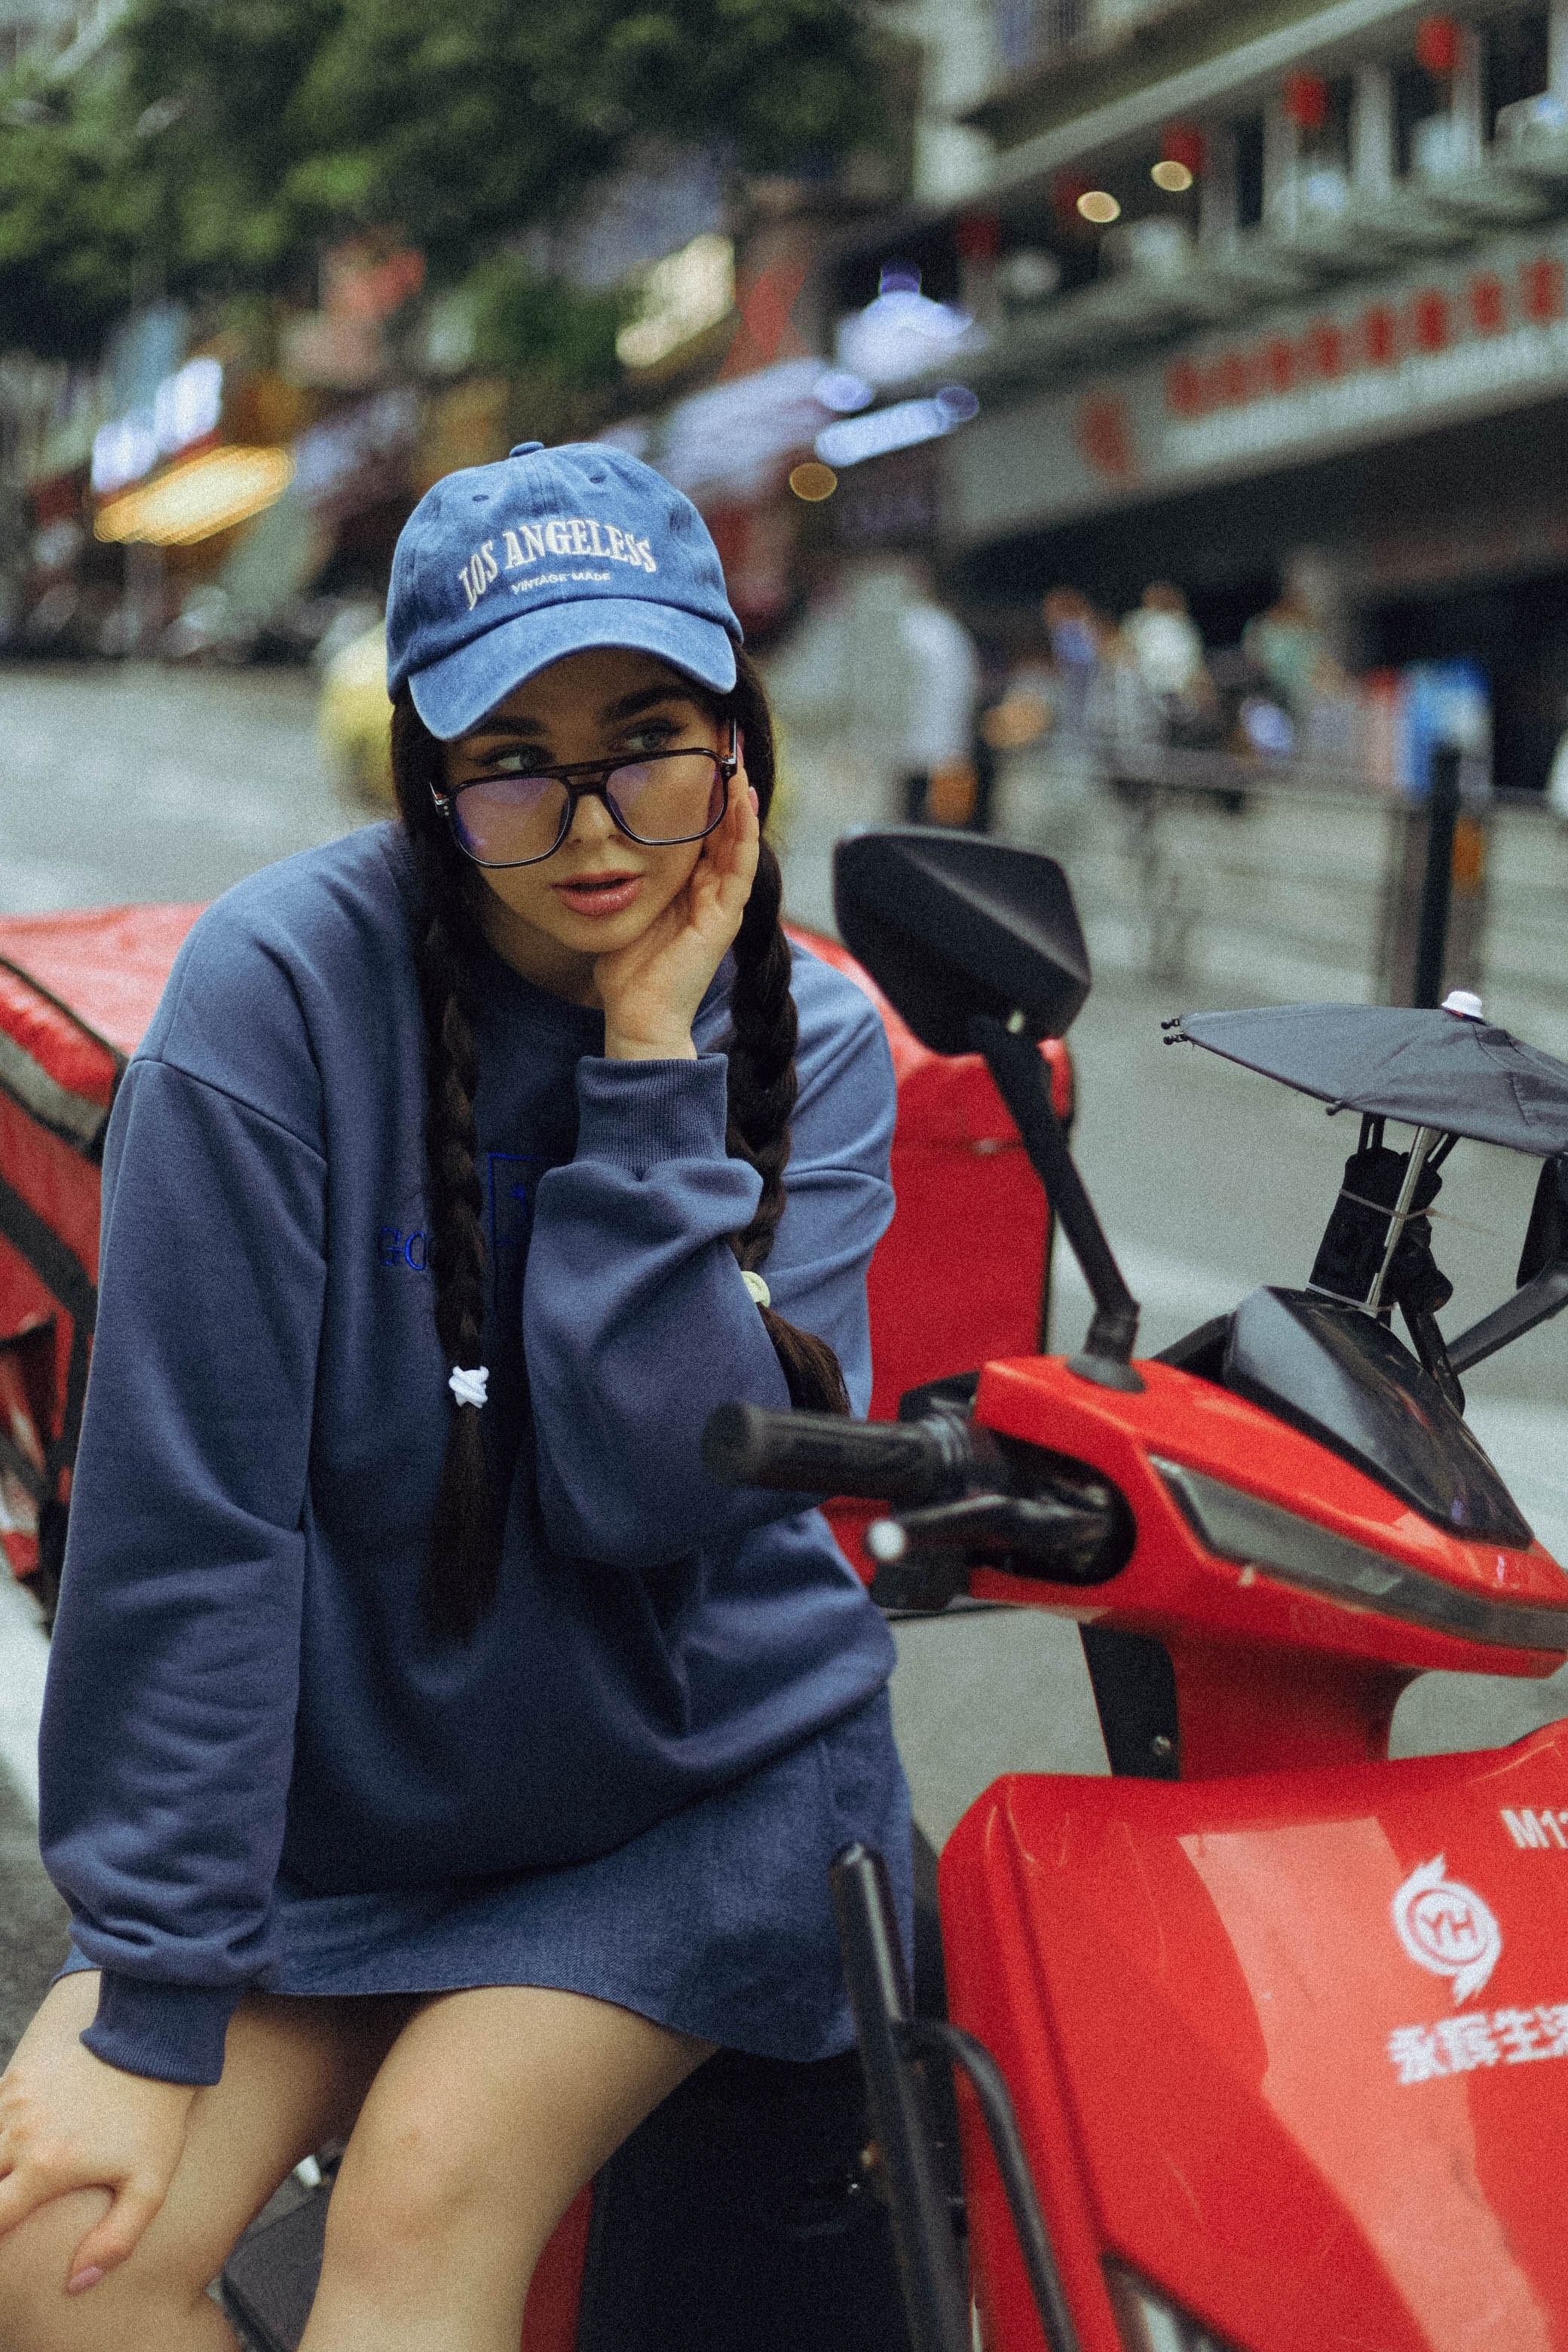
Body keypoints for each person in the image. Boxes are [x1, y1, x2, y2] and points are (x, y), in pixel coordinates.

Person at [0, 440, 911, 2352]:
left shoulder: (805, 1039)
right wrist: (154, 1993)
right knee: (54, 2257)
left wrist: (653, 1075)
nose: (589, 826)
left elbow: (659, 1496)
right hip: (344, 1820)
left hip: (693, 1796)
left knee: (421, 2205)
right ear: (422, 778)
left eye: (647, 737)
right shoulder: (271, 1002)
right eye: (510, 758)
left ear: (734, 746)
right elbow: (190, 1527)